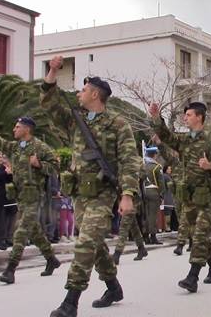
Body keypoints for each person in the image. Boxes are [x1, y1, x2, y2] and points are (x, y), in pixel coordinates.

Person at [42, 56, 141, 316]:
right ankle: (113, 286)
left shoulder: (118, 124)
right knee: (95, 245)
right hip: (80, 193)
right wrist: (52, 70)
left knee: (85, 243)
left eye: (83, 89)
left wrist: (128, 194)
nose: (79, 93)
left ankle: (70, 301)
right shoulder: (77, 120)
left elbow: (130, 161)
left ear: (95, 94)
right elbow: (50, 102)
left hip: (103, 193)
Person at [149, 100, 211, 293]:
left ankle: (192, 276)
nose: (185, 118)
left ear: (199, 117)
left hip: (208, 196)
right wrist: (156, 118)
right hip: (189, 196)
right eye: (185, 115)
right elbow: (166, 136)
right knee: (196, 234)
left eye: (189, 115)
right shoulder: (184, 140)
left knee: (200, 233)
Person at [0, 112, 61, 284]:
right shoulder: (16, 147)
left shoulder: (40, 147)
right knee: (34, 231)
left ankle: (10, 269)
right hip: (20, 195)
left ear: (27, 129)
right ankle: (51, 259)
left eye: (17, 127)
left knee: (20, 231)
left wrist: (39, 165)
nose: (14, 129)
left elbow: (55, 167)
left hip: (34, 195)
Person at [142, 146, 165, 245]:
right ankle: (153, 236)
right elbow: (161, 183)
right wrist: (161, 194)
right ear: (154, 155)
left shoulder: (143, 166)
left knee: (146, 215)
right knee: (153, 215)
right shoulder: (157, 167)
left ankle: (145, 236)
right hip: (154, 191)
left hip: (144, 191)